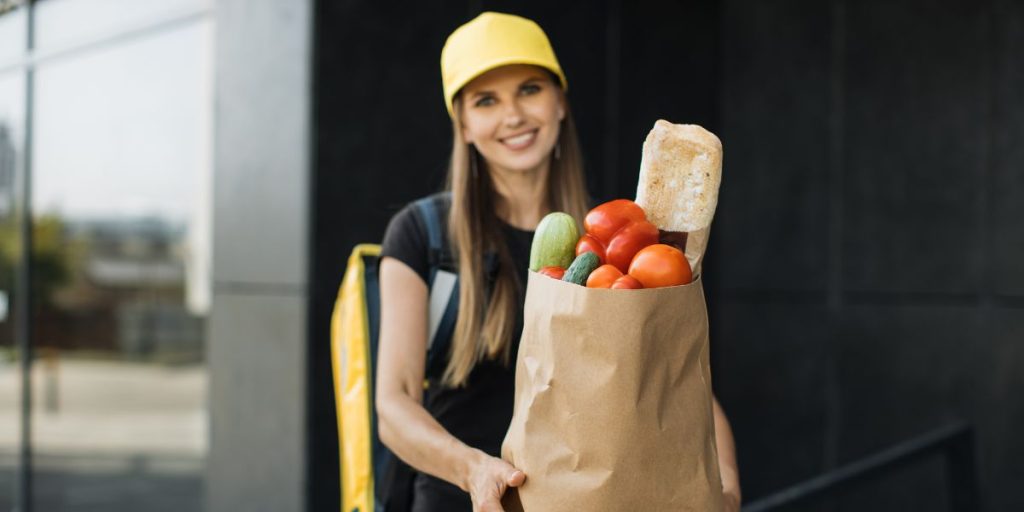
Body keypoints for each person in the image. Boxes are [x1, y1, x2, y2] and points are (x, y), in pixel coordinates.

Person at [375, 12, 741, 512]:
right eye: (486, 100)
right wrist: (474, 470)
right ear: (463, 124)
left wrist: (726, 484)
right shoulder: (422, 235)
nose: (513, 115)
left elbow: (677, 378)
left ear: (560, 102)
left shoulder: (613, 241)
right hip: (456, 500)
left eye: (529, 89)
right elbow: (392, 404)